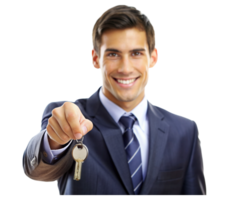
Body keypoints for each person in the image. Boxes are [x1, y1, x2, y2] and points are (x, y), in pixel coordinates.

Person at [22, 3, 206, 197]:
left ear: (153, 58)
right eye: (113, 54)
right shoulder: (68, 116)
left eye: (136, 53)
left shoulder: (185, 131)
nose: (125, 68)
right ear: (95, 59)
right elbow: (36, 171)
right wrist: (55, 141)